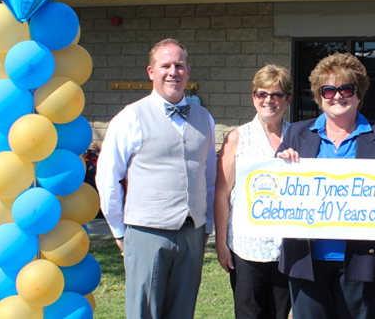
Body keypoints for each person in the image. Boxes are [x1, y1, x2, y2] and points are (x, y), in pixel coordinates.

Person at [276, 52, 375, 319]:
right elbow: (272, 190)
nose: (337, 96)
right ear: (319, 96)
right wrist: (279, 166)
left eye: (346, 89)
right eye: (328, 90)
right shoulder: (296, 134)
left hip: (365, 261)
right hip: (306, 262)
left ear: (359, 93)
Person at [96, 38, 217, 319]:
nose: (173, 72)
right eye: (165, 65)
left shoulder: (205, 118)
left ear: (188, 72)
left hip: (193, 233)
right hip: (146, 231)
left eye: (180, 65)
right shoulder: (131, 117)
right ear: (151, 71)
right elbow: (107, 177)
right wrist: (119, 230)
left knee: (182, 311)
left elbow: (210, 177)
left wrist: (207, 224)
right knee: (144, 312)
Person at [214, 64, 293, 319]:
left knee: (280, 315)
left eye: (277, 94)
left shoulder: (299, 137)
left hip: (286, 249)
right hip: (246, 248)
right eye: (262, 94)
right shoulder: (237, 138)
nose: (269, 100)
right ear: (253, 97)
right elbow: (222, 195)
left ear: (288, 100)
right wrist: (222, 245)